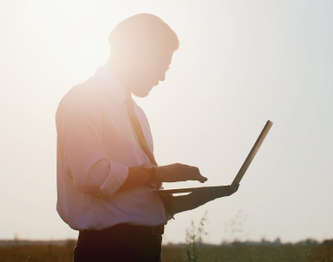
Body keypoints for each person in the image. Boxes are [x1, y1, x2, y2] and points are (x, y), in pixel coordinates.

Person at [55, 13, 239, 262]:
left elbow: (131, 199)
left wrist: (181, 202)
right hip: (108, 251)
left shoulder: (136, 114)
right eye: (161, 64)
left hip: (144, 247)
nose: (162, 77)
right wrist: (159, 173)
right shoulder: (83, 100)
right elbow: (93, 175)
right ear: (138, 54)